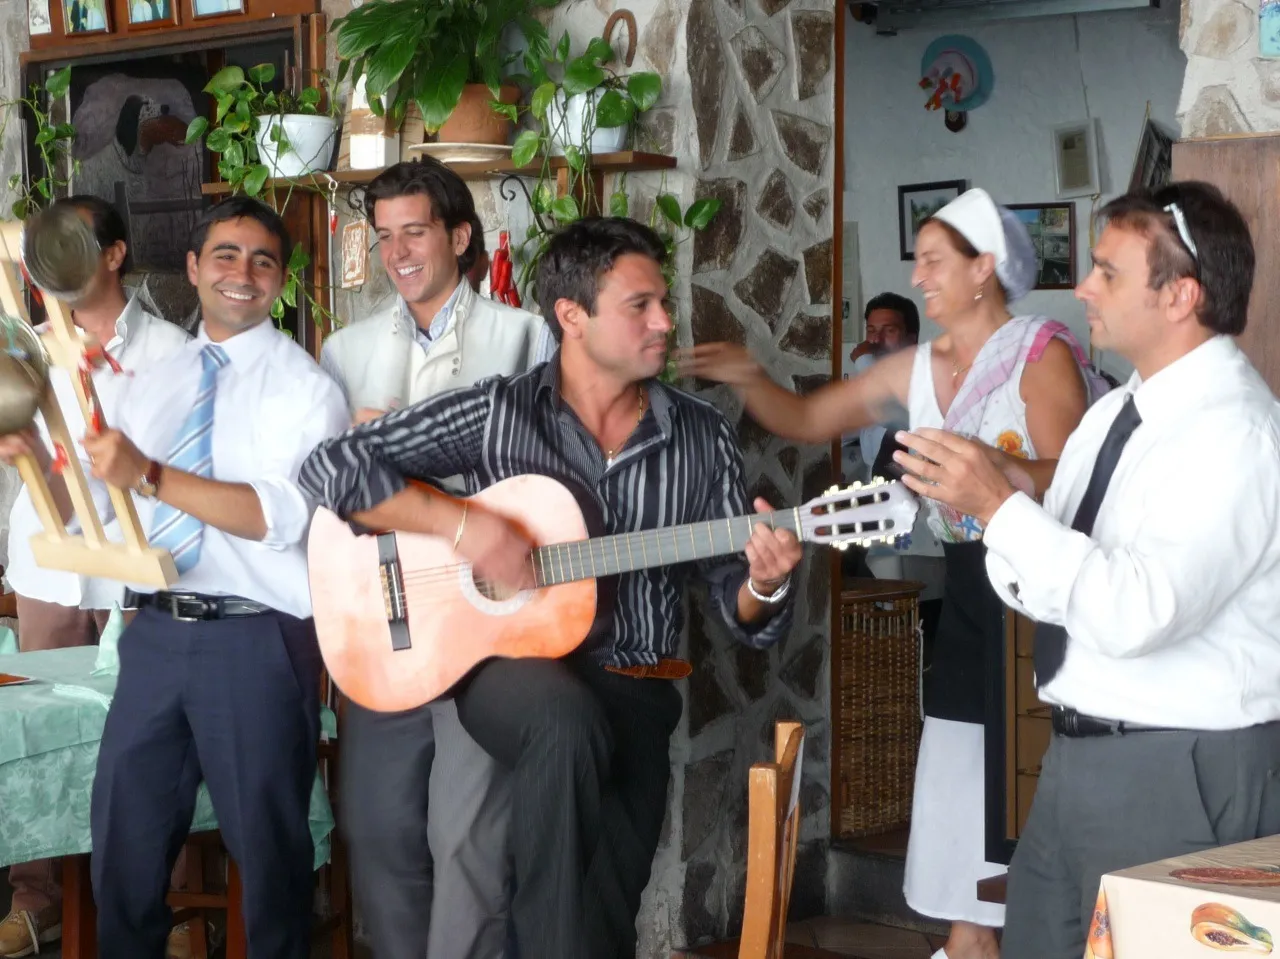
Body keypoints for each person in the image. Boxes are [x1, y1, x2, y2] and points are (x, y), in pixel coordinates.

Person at [299, 216, 802, 959]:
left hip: (635, 684)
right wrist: (463, 528)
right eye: (640, 306)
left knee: (604, 923)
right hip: (511, 673)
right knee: (564, 724)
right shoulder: (498, 411)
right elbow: (330, 467)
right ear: (572, 315)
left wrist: (764, 582)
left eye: (663, 303)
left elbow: (739, 605)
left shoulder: (700, 435)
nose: (665, 322)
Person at [681, 188, 1106, 959]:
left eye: (935, 260)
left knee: (1022, 822)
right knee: (961, 807)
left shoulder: (1038, 354)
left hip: (1035, 605)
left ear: (984, 268)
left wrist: (994, 471)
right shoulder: (915, 367)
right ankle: (969, 940)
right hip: (969, 597)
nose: (918, 276)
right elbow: (808, 419)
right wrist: (748, 375)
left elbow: (1074, 481)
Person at [890, 181, 1280, 959]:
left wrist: (1001, 505)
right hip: (1075, 758)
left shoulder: (1234, 431)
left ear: (1181, 296)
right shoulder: (1114, 413)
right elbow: (1041, 583)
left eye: (1108, 271)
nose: (1082, 287)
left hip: (1179, 764)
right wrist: (986, 498)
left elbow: (1136, 612)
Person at [0, 195, 349, 958]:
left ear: (280, 280)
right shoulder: (157, 378)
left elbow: (278, 515)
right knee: (124, 852)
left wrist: (153, 473)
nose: (242, 272)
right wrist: (33, 458)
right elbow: (94, 498)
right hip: (154, 633)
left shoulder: (307, 387)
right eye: (225, 254)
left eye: (262, 260)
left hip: (257, 640)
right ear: (193, 268)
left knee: (271, 865)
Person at [318, 157, 551, 959]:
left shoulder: (525, 336)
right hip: (383, 620)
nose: (398, 253)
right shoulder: (344, 348)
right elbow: (329, 497)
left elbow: (542, 477)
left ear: (458, 235)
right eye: (384, 236)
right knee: (376, 827)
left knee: (468, 842)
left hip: (483, 625)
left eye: (414, 232)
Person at [0, 194, 192, 959]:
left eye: (75, 243)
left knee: (154, 743)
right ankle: (37, 900)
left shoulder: (173, 349)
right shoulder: (25, 343)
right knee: (39, 737)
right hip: (46, 563)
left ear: (112, 254)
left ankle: (169, 909)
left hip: (140, 569)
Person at [845, 292, 919, 480]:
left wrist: (864, 363)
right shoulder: (868, 383)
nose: (876, 339)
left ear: (912, 340)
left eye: (889, 331)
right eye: (871, 330)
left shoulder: (924, 380)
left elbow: (896, 416)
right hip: (875, 487)